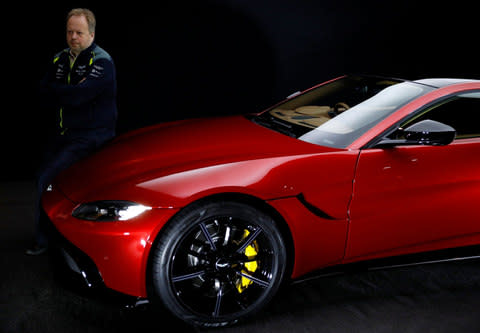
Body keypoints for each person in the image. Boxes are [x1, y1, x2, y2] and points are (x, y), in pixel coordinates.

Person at [26, 8, 117, 255]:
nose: (73, 37)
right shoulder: (60, 58)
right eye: (70, 32)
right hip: (64, 134)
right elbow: (42, 91)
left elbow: (80, 97)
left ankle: (45, 241)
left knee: (50, 178)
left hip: (93, 136)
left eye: (79, 32)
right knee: (44, 179)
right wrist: (67, 91)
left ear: (91, 34)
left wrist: (62, 91)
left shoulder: (101, 61)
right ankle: (54, 236)